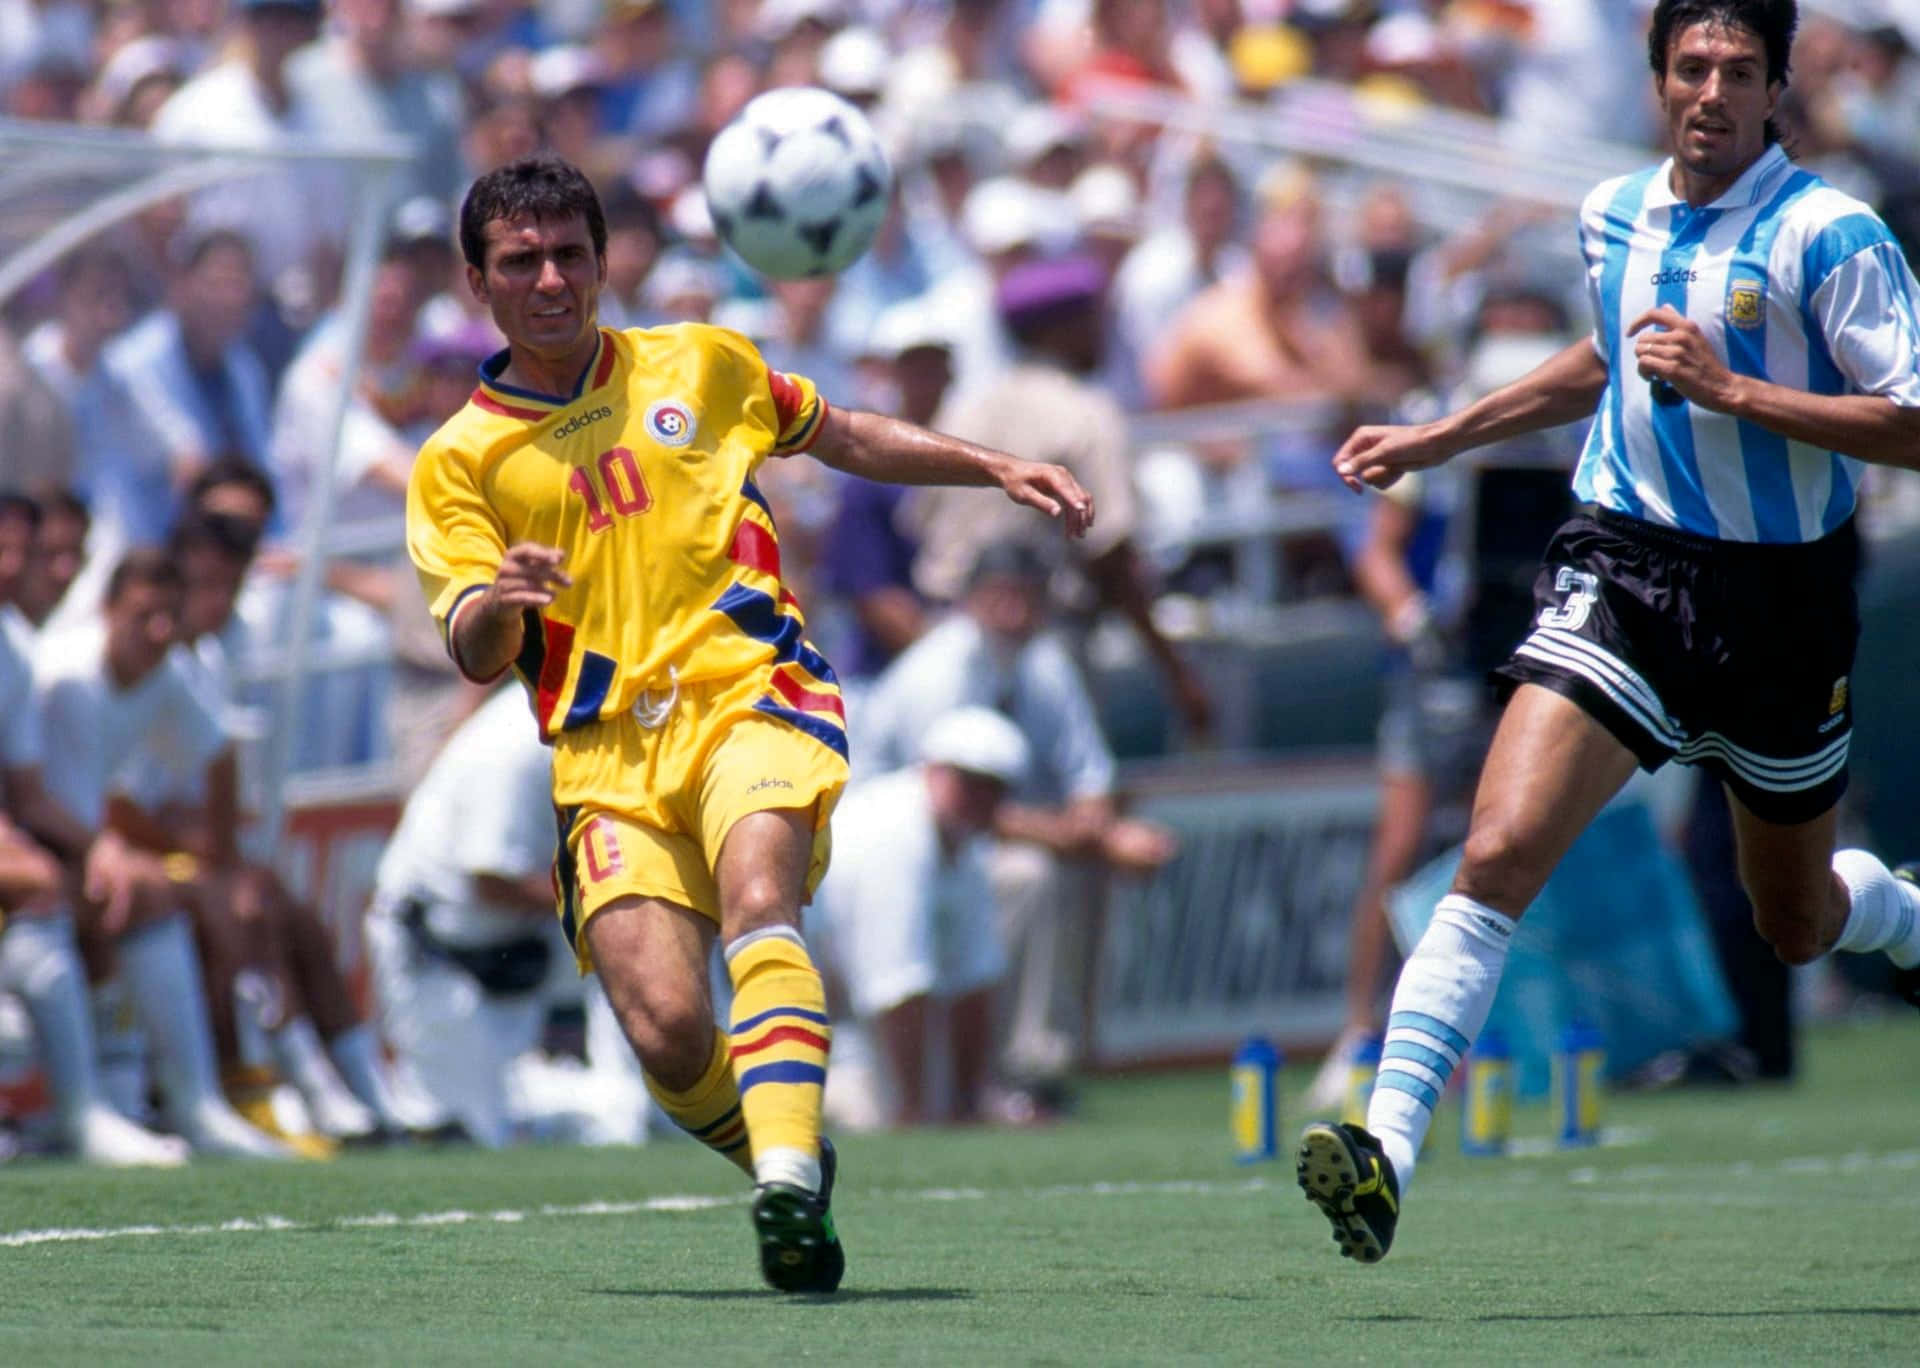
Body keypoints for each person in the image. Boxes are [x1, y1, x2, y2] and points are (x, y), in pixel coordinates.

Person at [1297, 0, 1920, 1266]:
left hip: (1784, 606)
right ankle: (1386, 1152)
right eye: (1691, 67)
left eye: (1740, 72)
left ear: (1775, 91)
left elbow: (1912, 417)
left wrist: (1736, 389)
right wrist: (1437, 437)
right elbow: (1598, 362)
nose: (1711, 91)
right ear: (1656, 80)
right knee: (1499, 843)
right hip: (1626, 570)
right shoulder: (1611, 213)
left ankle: (1902, 915)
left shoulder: (1832, 234)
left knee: (1789, 924)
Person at [405, 156, 1092, 1293]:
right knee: (668, 1028)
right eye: (520, 262)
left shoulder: (699, 361)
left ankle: (779, 1187)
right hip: (609, 756)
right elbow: (470, 640)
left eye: (571, 253)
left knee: (761, 900)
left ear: (604, 256)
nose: (551, 280)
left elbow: (843, 432)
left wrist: (993, 466)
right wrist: (505, 603)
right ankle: (785, 1154)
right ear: (477, 283)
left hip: (752, 695)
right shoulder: (459, 463)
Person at [858, 540, 1177, 1097]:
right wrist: (1088, 840)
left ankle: (1056, 1061)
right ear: (971, 601)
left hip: (967, 843)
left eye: (1026, 599)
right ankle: (1009, 1072)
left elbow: (1089, 775)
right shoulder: (937, 670)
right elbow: (949, 803)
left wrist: (1097, 829)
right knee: (1029, 876)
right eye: (999, 597)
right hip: (884, 845)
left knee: (1069, 871)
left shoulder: (1041, 662)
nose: (1013, 613)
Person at [811, 706, 1030, 1128]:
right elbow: (898, 992)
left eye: (993, 788)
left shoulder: (964, 844)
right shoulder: (895, 834)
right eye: (969, 782)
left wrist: (968, 1107)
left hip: (846, 1027)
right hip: (794, 1029)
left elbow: (974, 982)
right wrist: (915, 1112)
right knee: (871, 1115)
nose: (980, 799)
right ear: (931, 771)